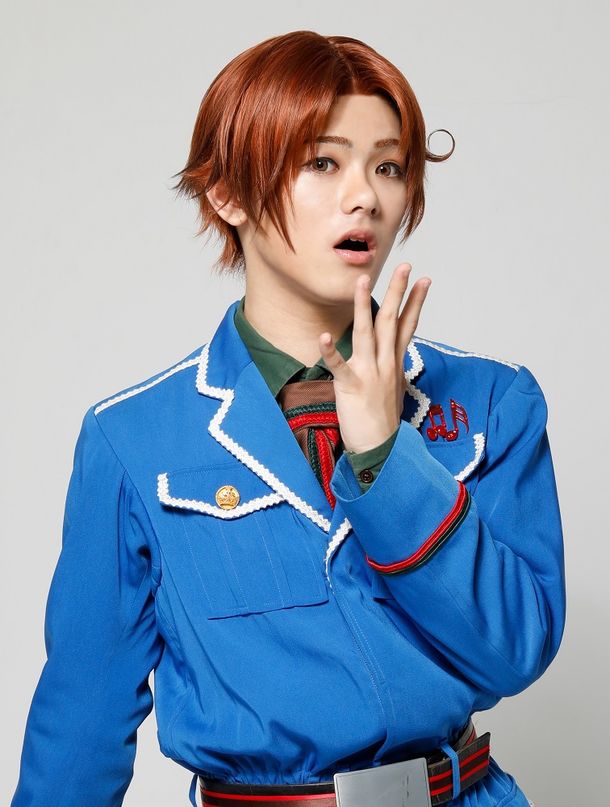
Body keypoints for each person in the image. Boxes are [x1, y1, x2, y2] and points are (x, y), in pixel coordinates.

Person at [11, 29, 565, 807]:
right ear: (226, 194)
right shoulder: (132, 440)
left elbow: (516, 650)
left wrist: (383, 457)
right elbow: (81, 729)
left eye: (389, 166)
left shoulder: (492, 403)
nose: (366, 197)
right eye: (322, 163)